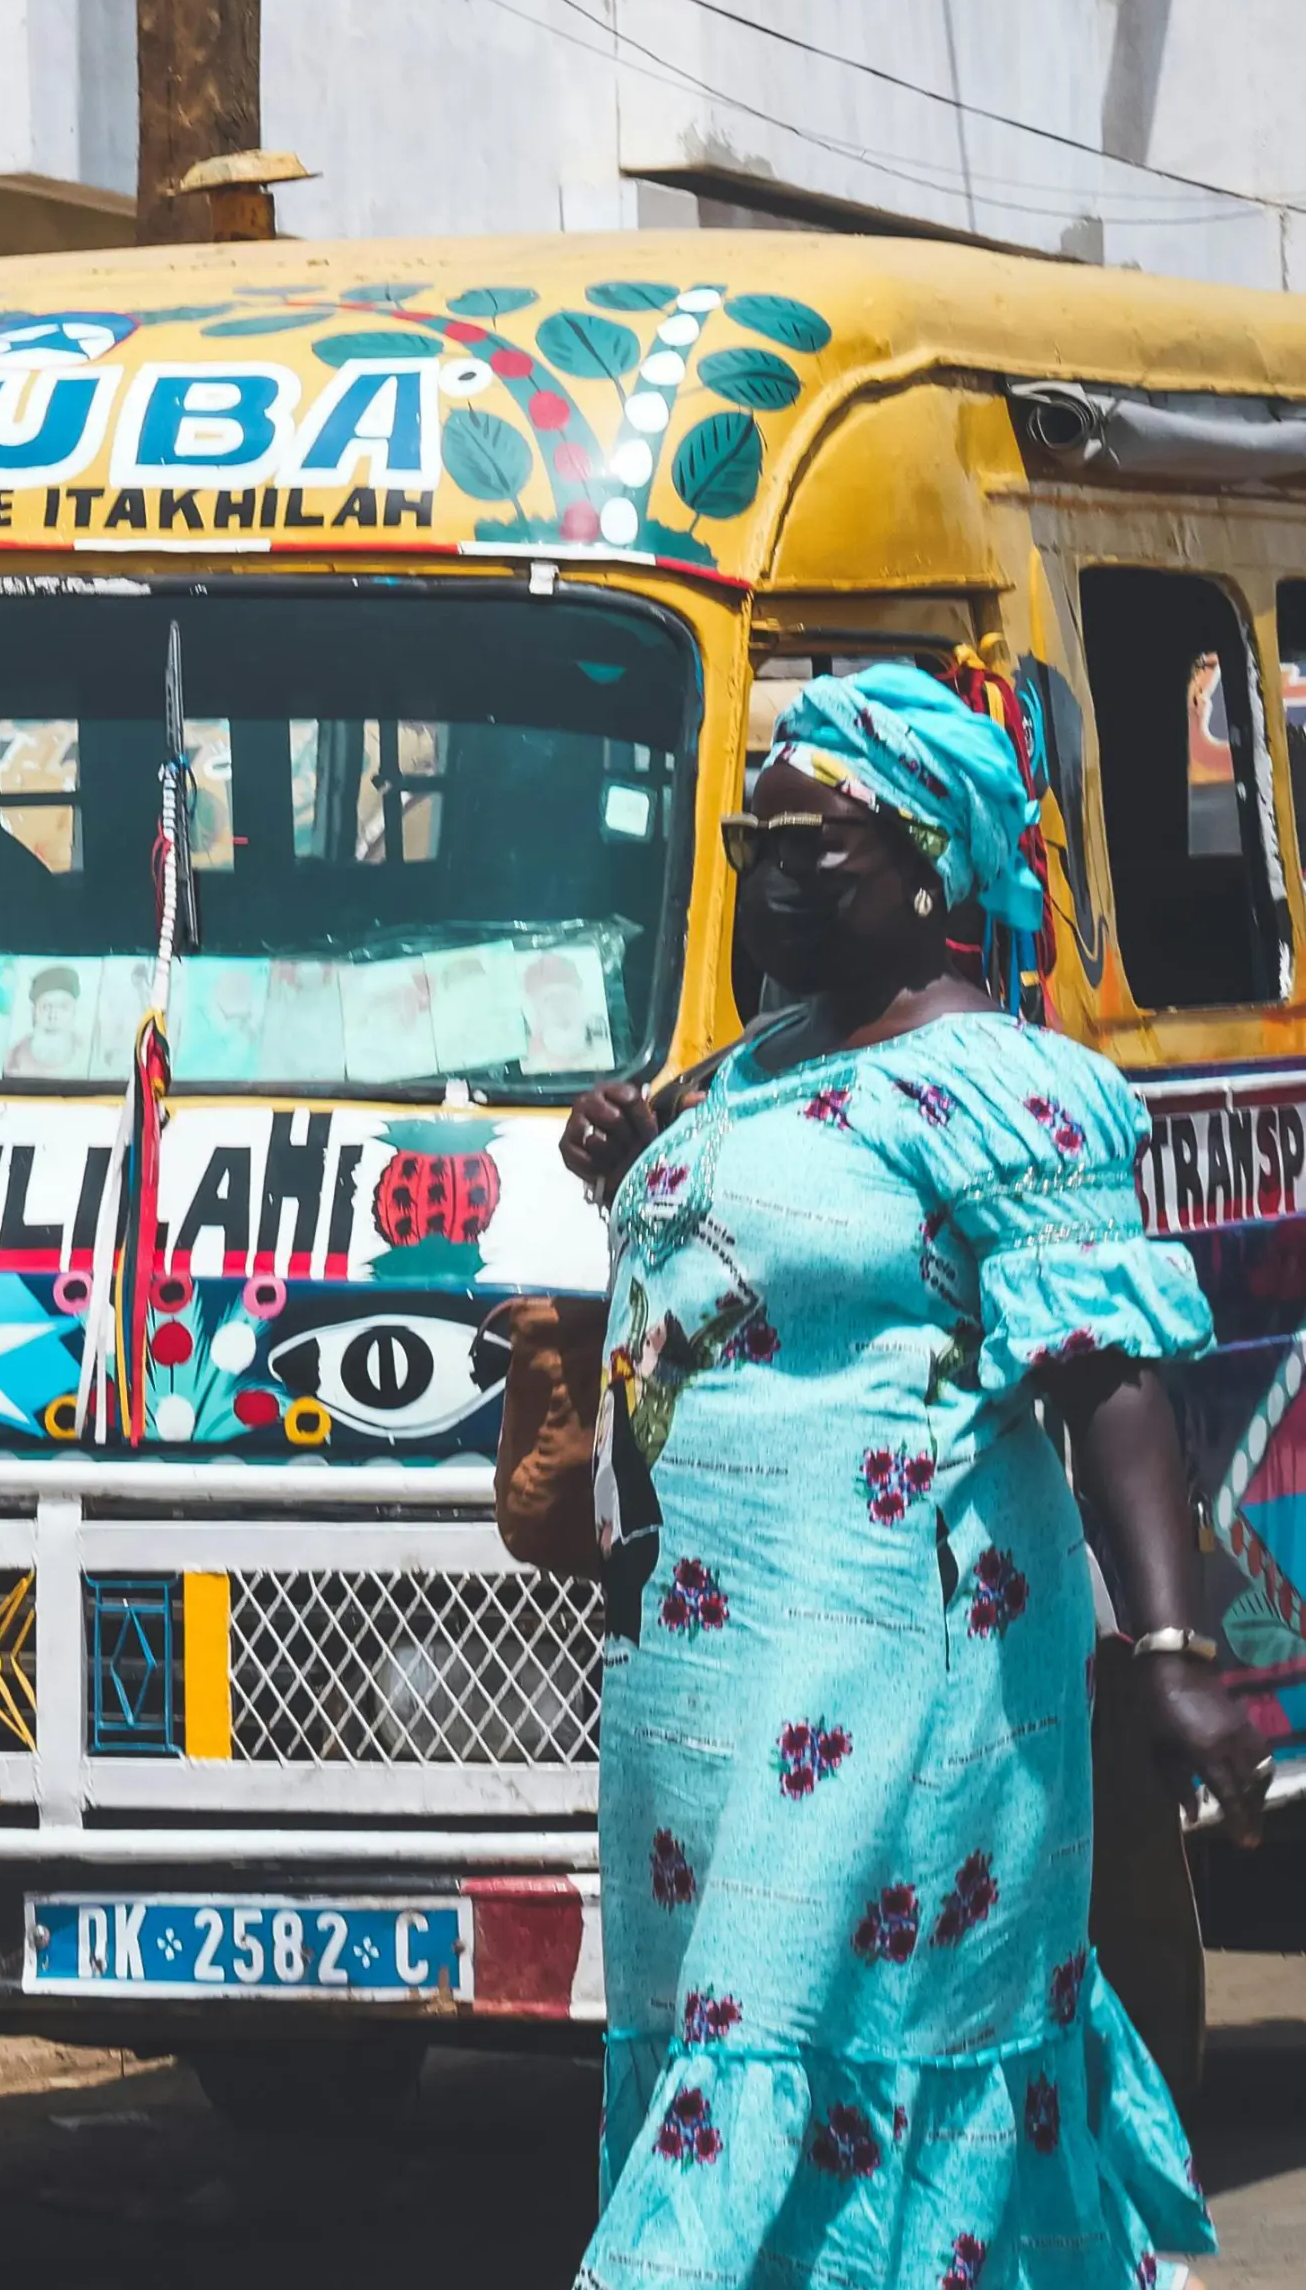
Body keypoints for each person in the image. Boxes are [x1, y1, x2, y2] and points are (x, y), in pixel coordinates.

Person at [559, 664, 1266, 2289]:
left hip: (898, 1676)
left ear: (935, 869)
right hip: (707, 1705)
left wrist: (1174, 1653)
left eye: (827, 846)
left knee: (798, 2034)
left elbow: (1103, 1365)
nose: (779, 875)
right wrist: (633, 1163)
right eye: (760, 842)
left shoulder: (1005, 1088)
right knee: (728, 2039)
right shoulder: (750, 1066)